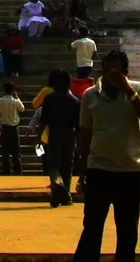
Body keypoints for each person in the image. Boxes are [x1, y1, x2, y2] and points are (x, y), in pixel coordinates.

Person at [72, 50, 140, 262]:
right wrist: (82, 171)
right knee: (92, 226)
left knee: (127, 228)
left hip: (129, 169)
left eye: (117, 71)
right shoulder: (90, 95)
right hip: (98, 168)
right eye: (109, 70)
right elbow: (85, 133)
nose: (112, 75)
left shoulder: (137, 89)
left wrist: (127, 89)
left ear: (126, 72)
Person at [39, 70, 80, 206]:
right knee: (67, 164)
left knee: (53, 163)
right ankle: (66, 194)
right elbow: (79, 123)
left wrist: (39, 136)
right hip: (70, 133)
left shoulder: (49, 99)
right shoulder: (75, 100)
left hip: (54, 132)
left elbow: (43, 120)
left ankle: (56, 185)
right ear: (69, 83)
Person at [0, 82, 24, 175]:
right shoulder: (15, 101)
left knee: (5, 152)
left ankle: (6, 172)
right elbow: (22, 109)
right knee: (16, 153)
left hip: (4, 128)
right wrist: (17, 98)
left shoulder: (0, 101)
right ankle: (18, 172)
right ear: (13, 90)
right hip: (14, 128)